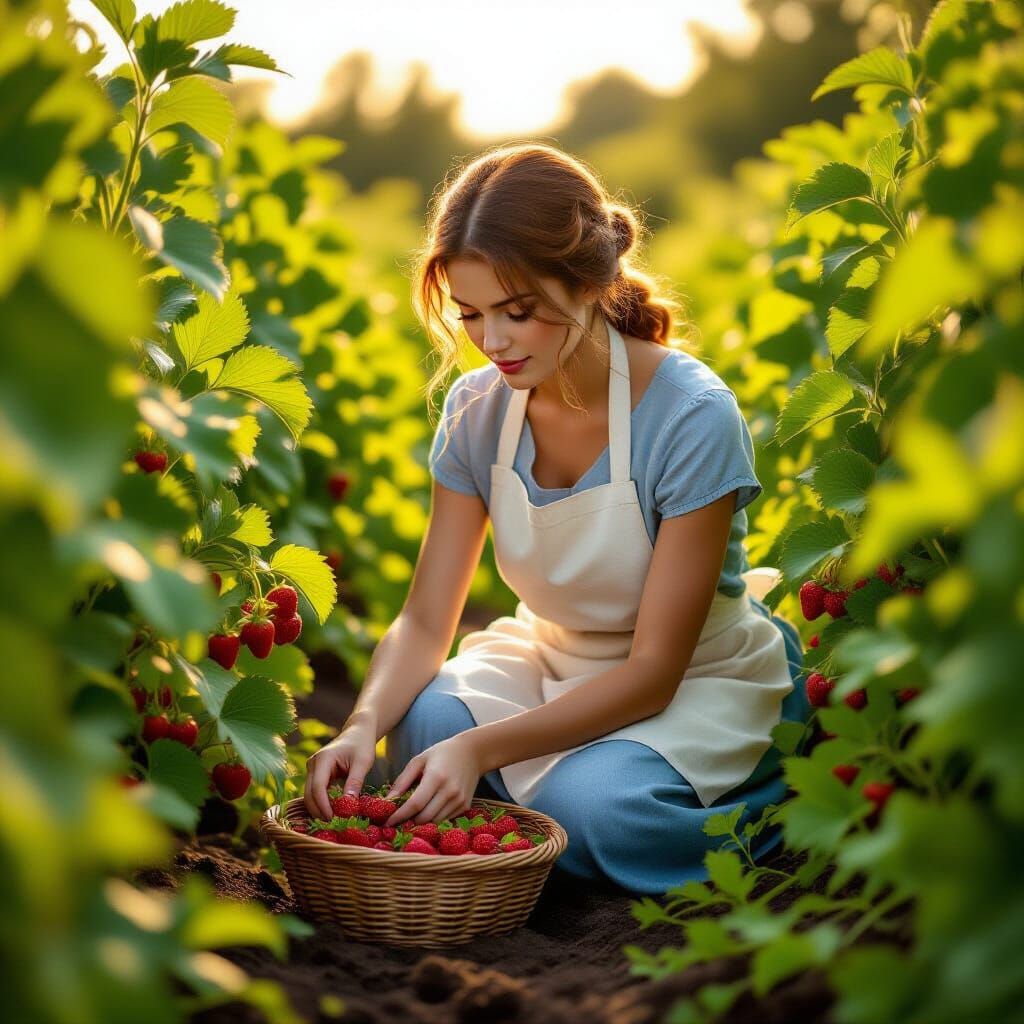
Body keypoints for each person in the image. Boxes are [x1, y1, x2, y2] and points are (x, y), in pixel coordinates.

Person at [304, 142, 811, 894]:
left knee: (594, 806)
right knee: (422, 730)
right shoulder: (477, 411)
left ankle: (770, 805)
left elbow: (653, 674)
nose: (492, 342)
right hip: (553, 659)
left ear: (589, 285)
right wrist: (361, 723)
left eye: (518, 313)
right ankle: (544, 838)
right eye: (470, 315)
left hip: (693, 678)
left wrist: (481, 753)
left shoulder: (692, 417)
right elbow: (423, 620)